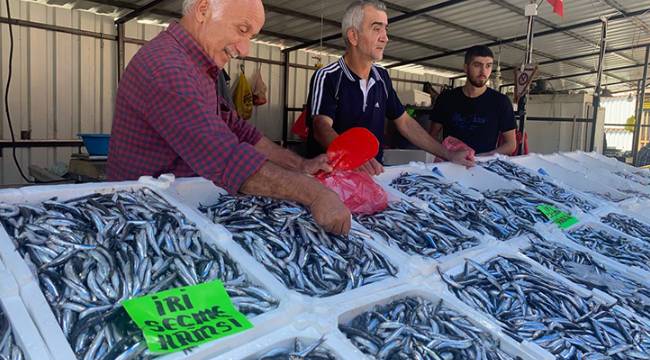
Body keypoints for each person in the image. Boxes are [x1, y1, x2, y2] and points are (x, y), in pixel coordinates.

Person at [107, 0, 352, 235]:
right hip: (144, 219)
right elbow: (226, 159)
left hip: (179, 208)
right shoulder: (168, 67)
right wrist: (316, 194)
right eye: (242, 30)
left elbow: (237, 129)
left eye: (250, 36)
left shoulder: (196, 65)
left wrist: (300, 165)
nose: (244, 50)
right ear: (203, 9)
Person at [305, 0, 475, 176]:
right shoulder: (329, 76)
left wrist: (447, 154)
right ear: (353, 36)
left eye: (386, 29)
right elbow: (321, 128)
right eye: (376, 28)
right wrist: (351, 156)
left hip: (373, 177)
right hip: (331, 179)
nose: (385, 37)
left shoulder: (382, 77)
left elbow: (405, 123)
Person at [429, 45, 517, 156]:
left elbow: (511, 144)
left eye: (488, 66)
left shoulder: (500, 101)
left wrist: (482, 158)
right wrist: (446, 155)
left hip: (484, 167)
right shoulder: (446, 98)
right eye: (477, 65)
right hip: (451, 165)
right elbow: (432, 137)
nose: (483, 71)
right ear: (466, 68)